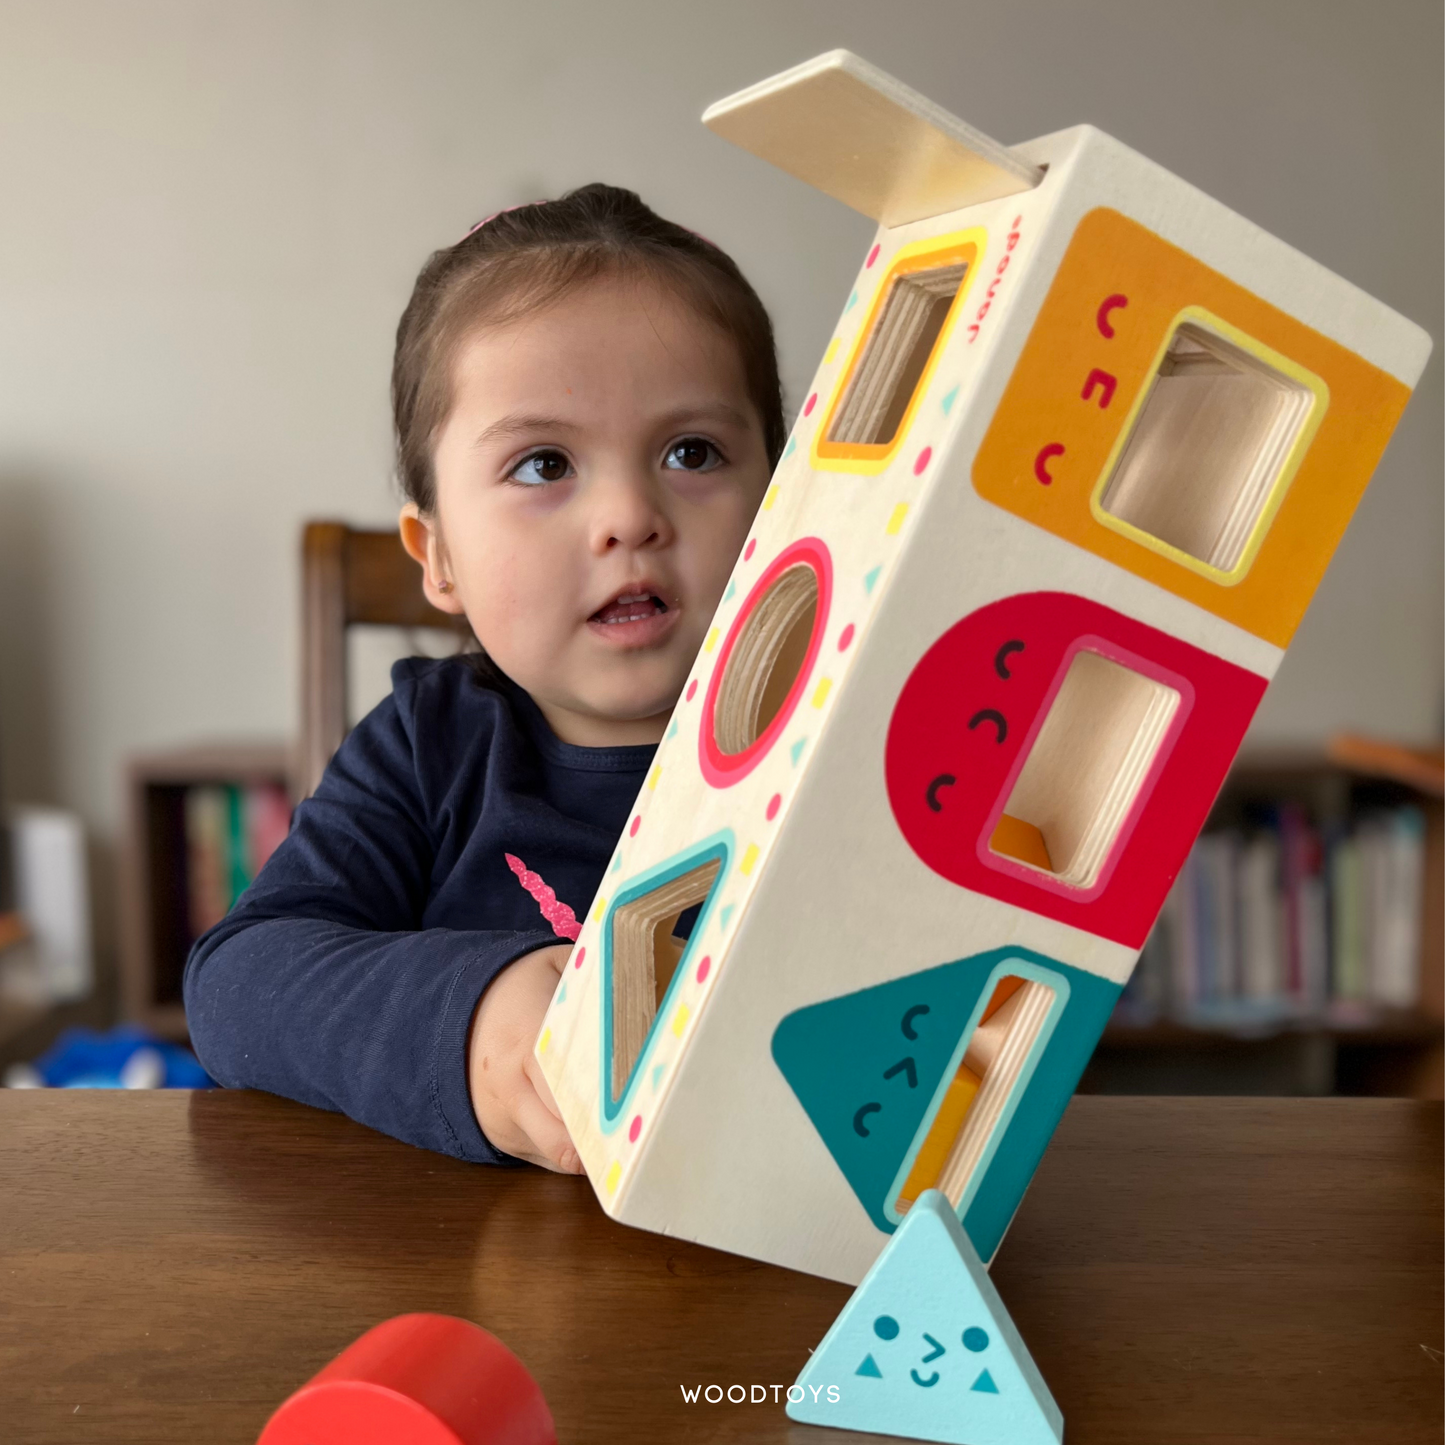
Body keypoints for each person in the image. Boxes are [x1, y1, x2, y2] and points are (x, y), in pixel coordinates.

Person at [184, 184, 785, 1174]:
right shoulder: (431, 744)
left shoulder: (843, 724)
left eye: (692, 451)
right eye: (544, 463)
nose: (628, 515)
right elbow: (237, 986)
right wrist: (477, 1025)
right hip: (481, 1279)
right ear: (440, 555)